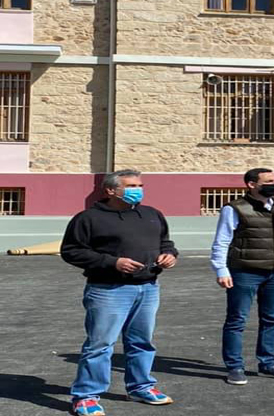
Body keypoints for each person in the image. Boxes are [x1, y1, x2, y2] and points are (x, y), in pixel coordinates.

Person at [61, 169, 177, 416]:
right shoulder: (88, 218)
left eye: (140, 185)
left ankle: (140, 387)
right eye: (131, 186)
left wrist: (169, 255)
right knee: (100, 345)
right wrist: (112, 262)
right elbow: (71, 251)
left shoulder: (152, 214)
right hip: (108, 290)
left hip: (147, 288)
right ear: (111, 190)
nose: (138, 190)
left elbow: (165, 242)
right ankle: (86, 396)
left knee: (141, 342)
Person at [210, 167, 274, 385]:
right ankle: (235, 367)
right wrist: (221, 270)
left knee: (271, 319)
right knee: (237, 320)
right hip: (245, 271)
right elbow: (222, 241)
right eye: (269, 181)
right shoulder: (234, 209)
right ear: (252, 185)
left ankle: (268, 364)